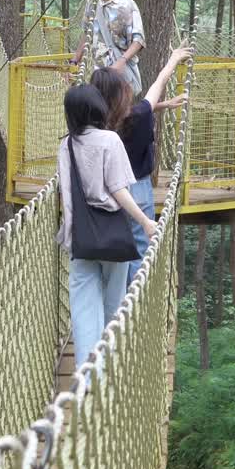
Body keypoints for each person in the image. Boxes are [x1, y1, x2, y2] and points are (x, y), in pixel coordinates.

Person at [56, 83, 157, 365]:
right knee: (114, 303)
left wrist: (68, 232)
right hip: (114, 235)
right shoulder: (110, 140)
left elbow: (66, 193)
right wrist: (145, 222)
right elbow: (119, 190)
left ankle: (88, 372)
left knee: (83, 306)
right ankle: (111, 365)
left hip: (81, 237)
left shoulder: (66, 145)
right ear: (96, 109)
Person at [90, 46, 191, 284]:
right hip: (138, 190)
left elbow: (125, 113)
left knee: (114, 250)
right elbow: (157, 84)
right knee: (140, 249)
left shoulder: (94, 122)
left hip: (107, 192)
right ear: (121, 93)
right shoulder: (139, 115)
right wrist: (174, 59)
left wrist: (164, 105)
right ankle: (134, 303)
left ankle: (116, 304)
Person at [70, 0, 146, 96]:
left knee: (119, 117)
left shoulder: (128, 6)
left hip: (120, 78)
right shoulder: (92, 2)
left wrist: (121, 62)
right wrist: (75, 60)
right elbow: (87, 33)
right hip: (96, 77)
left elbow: (138, 41)